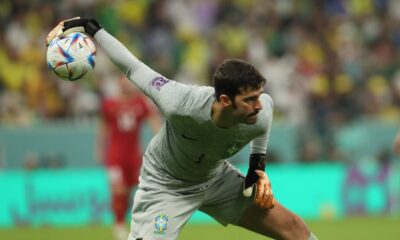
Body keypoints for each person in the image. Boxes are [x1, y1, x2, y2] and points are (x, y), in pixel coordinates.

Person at [46, 18, 318, 240]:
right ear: (224, 101)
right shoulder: (180, 102)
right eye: (249, 100)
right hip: (166, 187)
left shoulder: (260, 112)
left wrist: (256, 167)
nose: (258, 106)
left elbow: (264, 124)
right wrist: (93, 29)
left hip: (217, 180)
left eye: (259, 96)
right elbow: (132, 68)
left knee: (294, 229)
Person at [96, 74, 162, 240]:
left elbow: (153, 121)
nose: (126, 85)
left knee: (137, 190)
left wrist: (161, 141)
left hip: (134, 156)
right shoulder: (109, 104)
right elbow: (103, 127)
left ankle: (139, 223)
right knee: (119, 190)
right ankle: (118, 224)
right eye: (123, 82)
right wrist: (99, 148)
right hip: (115, 157)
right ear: (118, 84)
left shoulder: (140, 102)